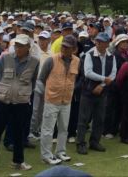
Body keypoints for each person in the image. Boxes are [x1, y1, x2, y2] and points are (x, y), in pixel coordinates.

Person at [0, 34, 40, 176]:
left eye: (21, 46)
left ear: (28, 47)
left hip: (21, 102)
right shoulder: (5, 58)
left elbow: (33, 82)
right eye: (16, 45)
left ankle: (18, 161)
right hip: (2, 100)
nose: (18, 48)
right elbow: (1, 76)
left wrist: (22, 93)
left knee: (19, 133)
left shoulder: (35, 62)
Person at [38, 34, 79, 166]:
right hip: (51, 99)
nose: (64, 49)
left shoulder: (77, 61)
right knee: (48, 129)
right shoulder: (51, 60)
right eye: (63, 46)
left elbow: (75, 79)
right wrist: (49, 91)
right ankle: (46, 155)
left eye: (68, 47)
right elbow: (41, 78)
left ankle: (60, 151)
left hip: (66, 100)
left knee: (63, 128)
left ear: (74, 49)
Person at [76, 32, 116, 155]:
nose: (99, 43)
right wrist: (104, 79)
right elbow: (88, 72)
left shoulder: (111, 56)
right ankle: (81, 143)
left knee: (99, 118)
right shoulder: (89, 54)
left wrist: (102, 85)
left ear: (107, 43)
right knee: (84, 119)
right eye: (98, 41)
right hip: (88, 91)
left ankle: (94, 142)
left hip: (102, 91)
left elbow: (113, 74)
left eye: (103, 42)